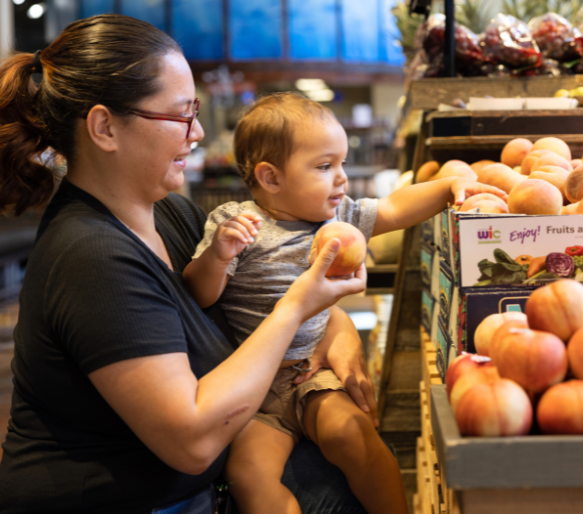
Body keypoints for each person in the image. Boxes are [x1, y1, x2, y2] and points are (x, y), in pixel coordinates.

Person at [0, 15, 374, 514]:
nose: (197, 132)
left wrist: (337, 331)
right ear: (105, 127)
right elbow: (191, 442)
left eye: (194, 111)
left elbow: (258, 283)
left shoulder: (170, 212)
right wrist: (296, 308)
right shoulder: (91, 259)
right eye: (180, 115)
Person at [183, 94, 508, 514]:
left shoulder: (339, 220)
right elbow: (199, 294)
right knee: (250, 476)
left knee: (355, 438)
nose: (341, 178)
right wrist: (218, 256)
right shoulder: (237, 224)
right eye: (324, 167)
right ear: (270, 177)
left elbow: (394, 207)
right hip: (255, 392)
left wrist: (448, 188)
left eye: (340, 163)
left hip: (311, 376)